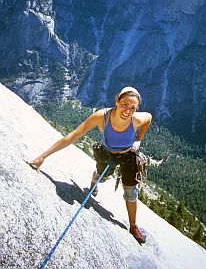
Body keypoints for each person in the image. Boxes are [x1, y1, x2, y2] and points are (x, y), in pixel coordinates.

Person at [29, 87, 152, 244]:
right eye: (124, 104)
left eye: (132, 108)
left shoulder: (137, 119)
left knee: (131, 193)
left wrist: (138, 140)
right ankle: (95, 180)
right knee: (102, 177)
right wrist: (43, 156)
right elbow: (72, 136)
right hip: (108, 154)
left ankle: (133, 226)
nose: (127, 110)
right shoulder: (102, 117)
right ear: (117, 101)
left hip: (129, 156)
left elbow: (149, 118)